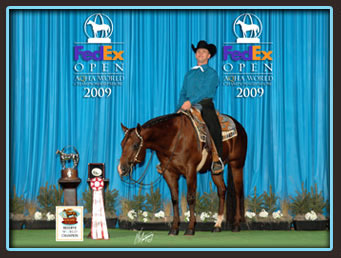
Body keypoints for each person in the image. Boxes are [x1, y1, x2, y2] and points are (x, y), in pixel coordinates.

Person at [177, 40, 224, 174]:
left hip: (204, 104)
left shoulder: (211, 73)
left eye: (203, 52)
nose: (200, 54)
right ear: (196, 55)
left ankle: (217, 158)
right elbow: (183, 92)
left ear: (209, 56)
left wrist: (190, 102)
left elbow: (205, 91)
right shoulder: (189, 73)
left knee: (212, 123)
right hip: (187, 105)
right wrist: (179, 107)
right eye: (198, 52)